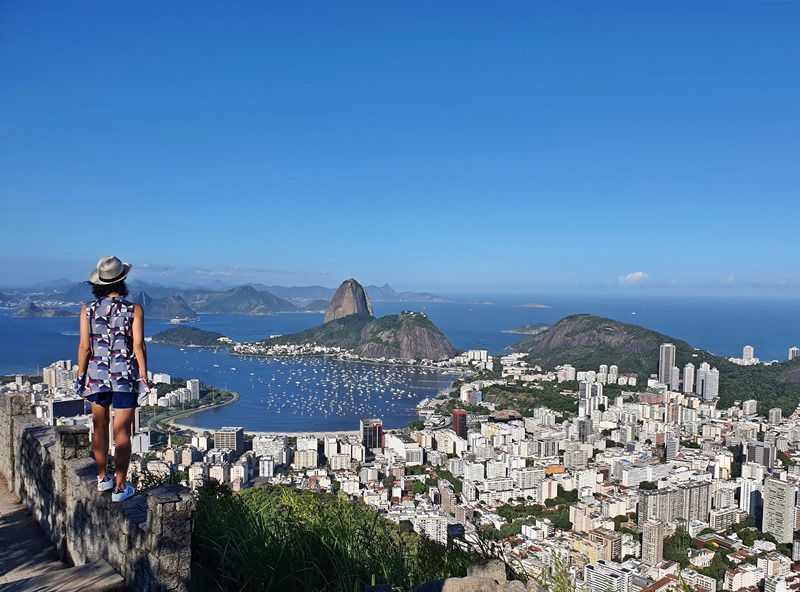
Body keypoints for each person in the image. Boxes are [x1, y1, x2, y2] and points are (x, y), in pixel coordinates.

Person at [76, 255, 150, 502]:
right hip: (124, 377)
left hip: (96, 375)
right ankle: (120, 487)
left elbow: (85, 346)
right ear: (123, 280)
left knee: (99, 425)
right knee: (122, 432)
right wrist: (144, 374)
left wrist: (80, 373)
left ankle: (101, 477)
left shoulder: (87, 310)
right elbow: (138, 345)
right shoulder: (134, 309)